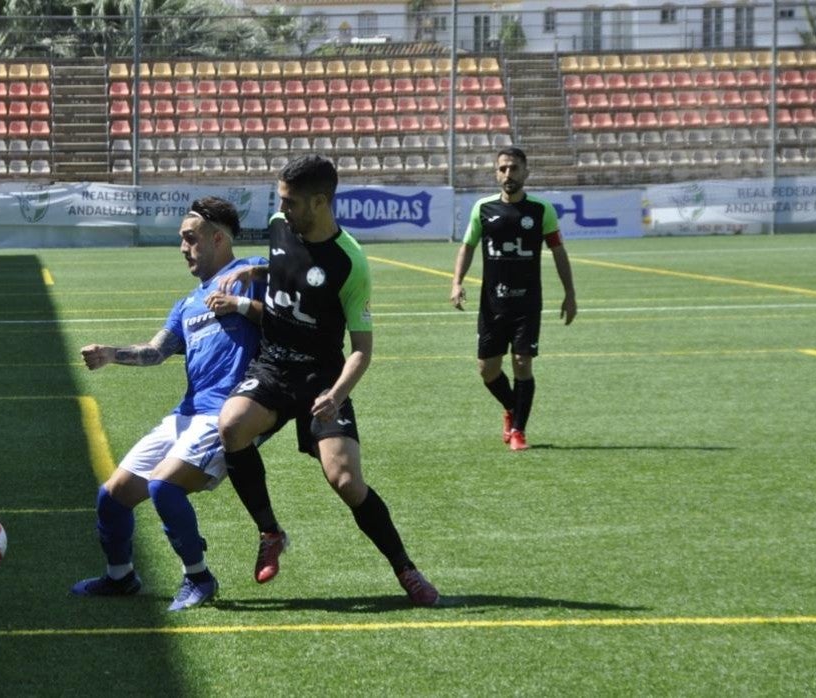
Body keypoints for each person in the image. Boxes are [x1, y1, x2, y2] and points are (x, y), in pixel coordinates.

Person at [216, 154, 439, 606]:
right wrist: (254, 272)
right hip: (273, 366)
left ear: (320, 202)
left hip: (322, 378)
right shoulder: (282, 223)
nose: (283, 209)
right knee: (231, 427)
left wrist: (336, 395)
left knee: (345, 481)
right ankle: (270, 532)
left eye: (292, 202)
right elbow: (287, 269)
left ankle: (406, 569)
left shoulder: (349, 262)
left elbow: (362, 350)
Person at [71, 197, 266, 611]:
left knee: (163, 485)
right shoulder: (187, 304)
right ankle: (120, 578)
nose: (183, 247)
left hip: (228, 413)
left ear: (217, 238)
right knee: (112, 496)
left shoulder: (251, 274)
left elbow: (298, 299)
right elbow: (156, 352)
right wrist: (111, 353)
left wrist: (251, 287)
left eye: (189, 238)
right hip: (187, 413)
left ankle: (199, 577)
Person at [450, 146, 577, 451]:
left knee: (522, 363)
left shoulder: (541, 210)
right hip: (492, 304)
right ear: (497, 173)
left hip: (527, 303)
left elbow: (558, 251)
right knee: (487, 370)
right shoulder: (483, 208)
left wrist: (570, 294)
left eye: (514, 168)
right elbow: (467, 246)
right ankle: (512, 408)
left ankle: (518, 430)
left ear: (526, 172)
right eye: (503, 168)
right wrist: (456, 283)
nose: (509, 174)